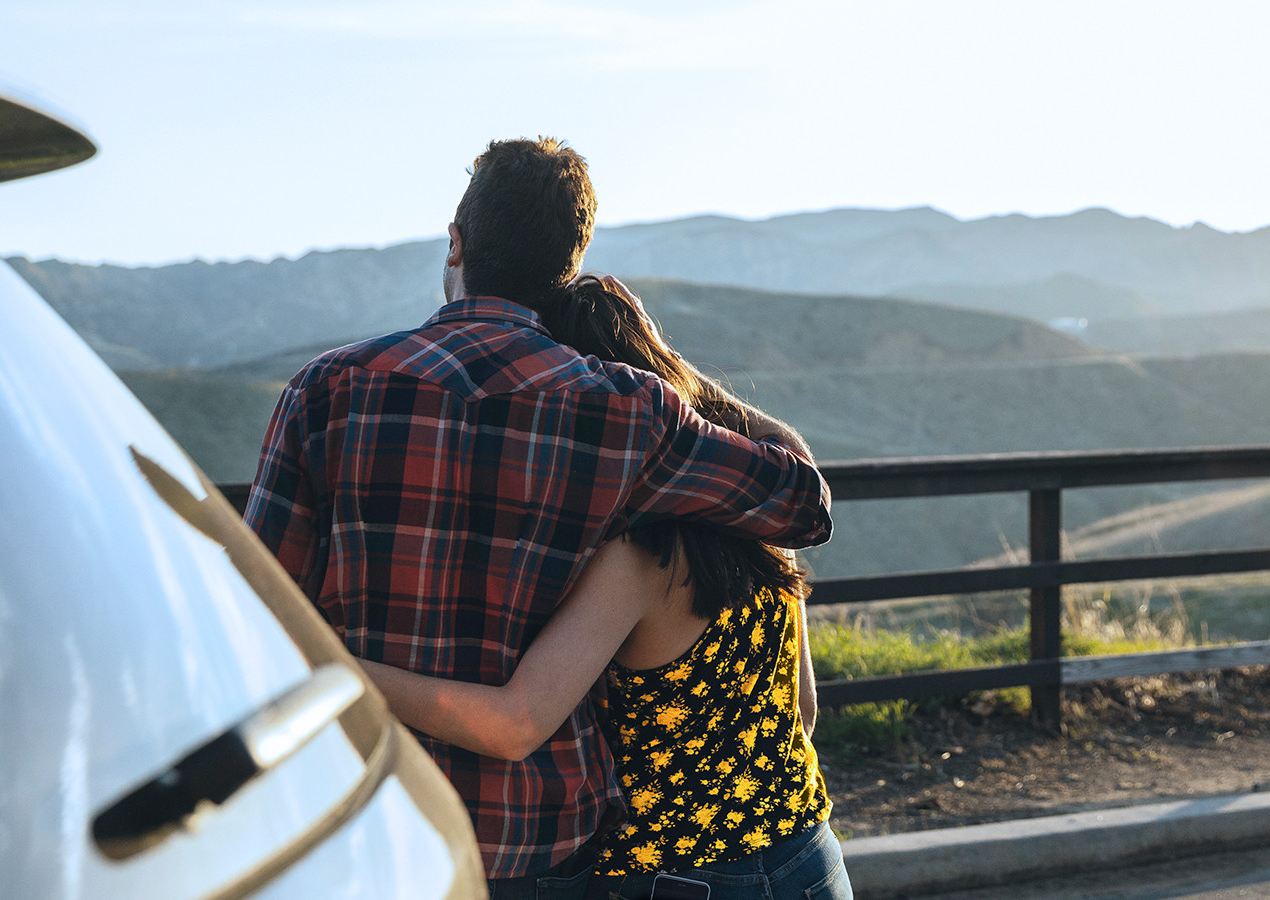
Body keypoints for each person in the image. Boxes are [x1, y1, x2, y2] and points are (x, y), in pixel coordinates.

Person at [243, 138, 833, 897]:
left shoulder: (324, 392)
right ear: (570, 260)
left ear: (458, 242)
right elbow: (801, 503)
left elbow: (256, 614)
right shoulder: (632, 411)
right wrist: (673, 380)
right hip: (543, 841)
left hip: (370, 817)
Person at [357, 274, 852, 900]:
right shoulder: (760, 522)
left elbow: (516, 723)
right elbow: (802, 713)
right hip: (809, 851)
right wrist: (680, 383)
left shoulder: (640, 554)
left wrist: (348, 675)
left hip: (680, 876)